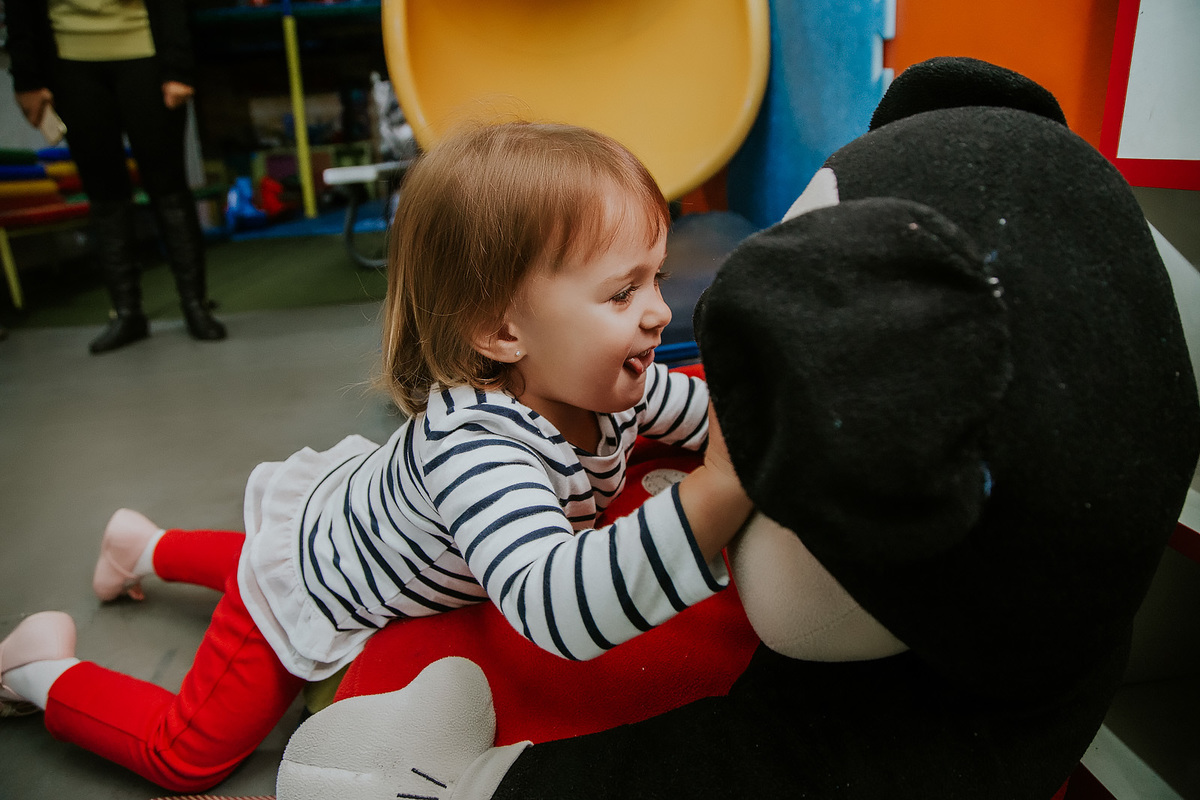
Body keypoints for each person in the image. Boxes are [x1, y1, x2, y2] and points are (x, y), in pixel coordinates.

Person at [0, 122, 753, 792]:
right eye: (623, 293)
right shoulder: (481, 452)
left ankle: (143, 547)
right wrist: (714, 496)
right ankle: (35, 669)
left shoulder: (609, 380)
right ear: (502, 333)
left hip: (358, 525)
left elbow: (706, 413)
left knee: (275, 551)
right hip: (321, 582)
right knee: (188, 755)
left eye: (655, 275)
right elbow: (555, 604)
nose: (659, 310)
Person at [5, 0, 226, 353]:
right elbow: (19, 10)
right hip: (69, 60)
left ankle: (195, 305)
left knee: (168, 185)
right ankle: (127, 313)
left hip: (144, 50)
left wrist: (178, 67)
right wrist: (27, 76)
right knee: (104, 192)